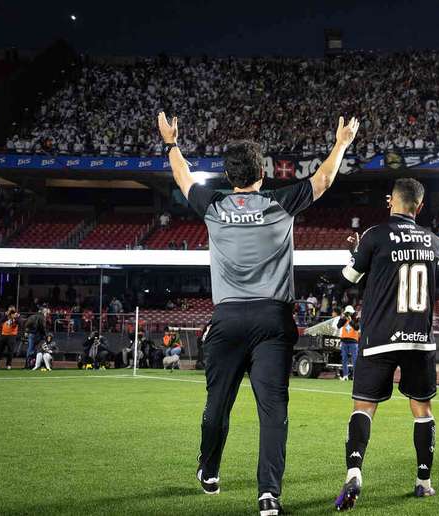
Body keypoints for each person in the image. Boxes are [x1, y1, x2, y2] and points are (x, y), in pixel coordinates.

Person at [158, 111, 359, 515]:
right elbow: (322, 180)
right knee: (273, 411)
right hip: (273, 320)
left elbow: (182, 178)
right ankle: (268, 495)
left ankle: (209, 471)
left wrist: (171, 143)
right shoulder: (278, 204)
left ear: (228, 176)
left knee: (217, 404)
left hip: (228, 318)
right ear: (261, 175)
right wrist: (340, 144)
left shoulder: (213, 205)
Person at [336, 178, 439, 510]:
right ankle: (423, 482)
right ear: (420, 206)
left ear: (390, 202)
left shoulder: (374, 235)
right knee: (422, 410)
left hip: (380, 337)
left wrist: (357, 253)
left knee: (364, 407)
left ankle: (354, 472)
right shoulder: (436, 242)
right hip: (419, 340)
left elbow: (349, 278)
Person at [336, 305, 360, 381]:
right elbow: (338, 326)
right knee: (344, 359)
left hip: (353, 341)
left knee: (355, 359)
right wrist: (341, 318)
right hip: (344, 341)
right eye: (347, 313)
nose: (348, 314)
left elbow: (357, 327)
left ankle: (355, 376)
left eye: (349, 313)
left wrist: (350, 320)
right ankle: (345, 375)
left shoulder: (356, 319)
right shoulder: (344, 319)